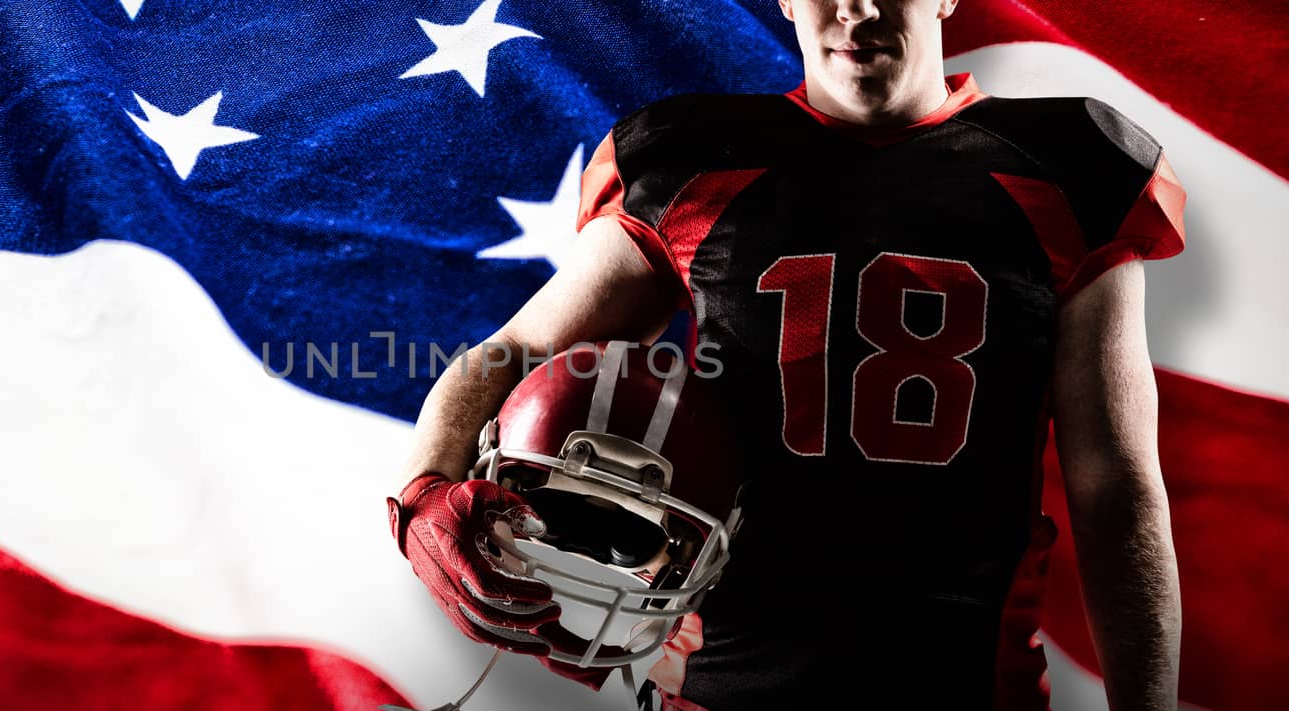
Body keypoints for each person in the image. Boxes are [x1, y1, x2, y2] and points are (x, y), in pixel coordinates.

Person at [385, 0, 1184, 708]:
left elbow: (1114, 485)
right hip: (723, 682)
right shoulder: (696, 160)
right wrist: (422, 489)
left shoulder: (1066, 165)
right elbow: (518, 349)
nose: (858, 10)